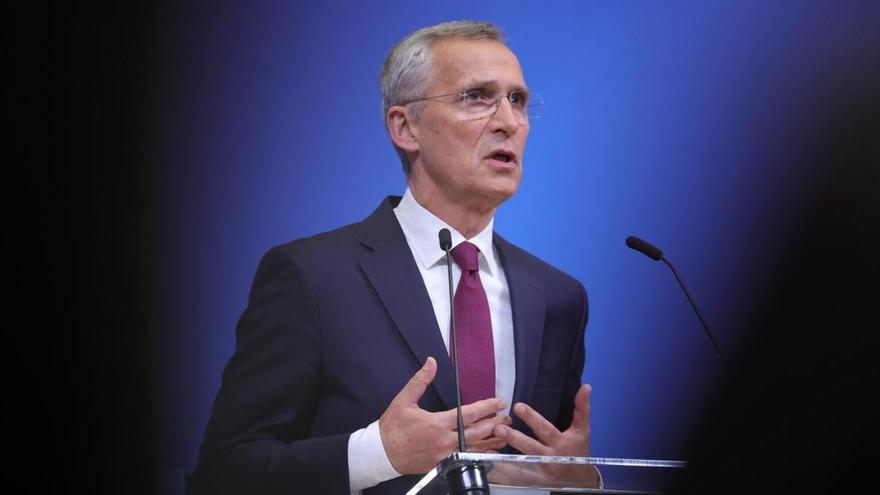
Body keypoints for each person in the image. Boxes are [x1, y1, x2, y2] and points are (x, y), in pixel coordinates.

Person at [192, 20, 597, 494]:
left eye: (518, 100)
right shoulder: (312, 278)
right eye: (477, 96)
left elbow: (547, 466)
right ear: (405, 127)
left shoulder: (558, 297)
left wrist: (576, 483)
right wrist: (378, 453)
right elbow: (222, 474)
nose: (509, 121)